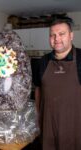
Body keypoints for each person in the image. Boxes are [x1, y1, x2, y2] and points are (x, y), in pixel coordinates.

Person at [34, 17, 81, 150]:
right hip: (48, 126)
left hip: (75, 128)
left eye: (61, 34)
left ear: (71, 35)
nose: (57, 39)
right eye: (52, 35)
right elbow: (38, 89)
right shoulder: (42, 61)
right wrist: (37, 115)